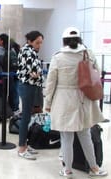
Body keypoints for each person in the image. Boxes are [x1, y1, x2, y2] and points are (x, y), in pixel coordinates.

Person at [44, 27, 108, 177]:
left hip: (63, 99)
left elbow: (51, 82)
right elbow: (97, 73)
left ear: (63, 40)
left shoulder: (58, 57)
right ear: (80, 39)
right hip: (83, 99)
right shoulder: (88, 54)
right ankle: (94, 168)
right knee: (86, 135)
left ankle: (67, 170)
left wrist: (47, 103)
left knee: (66, 138)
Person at [17, 30, 44, 159]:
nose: (39, 45)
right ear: (30, 41)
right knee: (26, 117)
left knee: (28, 116)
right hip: (27, 86)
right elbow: (35, 72)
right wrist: (38, 71)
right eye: (37, 42)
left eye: (41, 43)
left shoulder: (31, 51)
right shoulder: (27, 51)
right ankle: (22, 147)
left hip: (31, 86)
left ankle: (25, 145)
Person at [0, 34, 20, 116]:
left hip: (3, 75)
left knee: (2, 93)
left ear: (2, 41)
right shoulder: (12, 49)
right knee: (13, 93)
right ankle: (14, 109)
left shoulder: (0, 51)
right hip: (13, 75)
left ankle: (4, 111)